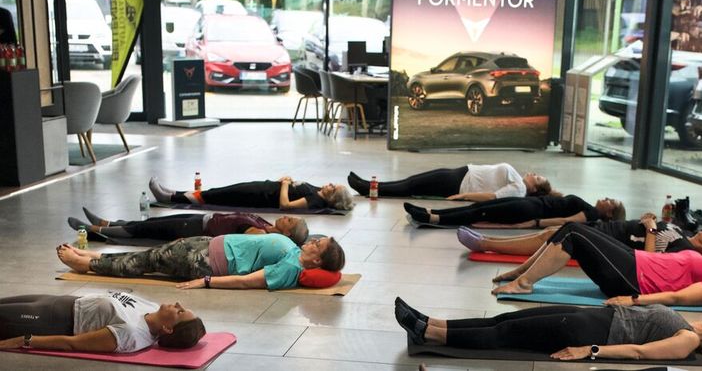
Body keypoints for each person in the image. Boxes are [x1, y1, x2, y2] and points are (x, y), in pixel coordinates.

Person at [491, 222, 702, 306]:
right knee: (570, 229)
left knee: (573, 233)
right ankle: (522, 273)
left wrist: (631, 301)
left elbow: (676, 297)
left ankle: (524, 283)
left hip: (633, 279)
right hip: (635, 262)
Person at [394, 297, 702, 361]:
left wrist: (589, 351)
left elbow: (638, 351)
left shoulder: (687, 341)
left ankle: (429, 335)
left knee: (507, 335)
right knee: (504, 320)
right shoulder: (686, 324)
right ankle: (433, 322)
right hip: (592, 316)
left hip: (587, 332)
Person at [57, 232, 345, 291]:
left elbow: (247, 282)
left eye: (317, 244)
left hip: (204, 261)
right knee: (149, 256)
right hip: (208, 245)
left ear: (317, 260)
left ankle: (88, 265)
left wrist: (206, 282)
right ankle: (97, 257)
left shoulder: (291, 269)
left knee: (145, 262)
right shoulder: (295, 252)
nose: (312, 241)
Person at [458, 213, 702, 265]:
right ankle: (487, 239)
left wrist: (652, 229)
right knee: (552, 232)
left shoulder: (683, 249)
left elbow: (653, 261)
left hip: (613, 242)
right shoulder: (685, 235)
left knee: (553, 235)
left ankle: (485, 243)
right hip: (612, 228)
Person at [0, 290, 204, 353]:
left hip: (47, 320)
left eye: (180, 312)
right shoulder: (151, 307)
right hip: (54, 301)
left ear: (168, 329)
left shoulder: (132, 334)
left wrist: (24, 340)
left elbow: (72, 343)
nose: (178, 304)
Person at [66, 207, 309, 246]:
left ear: (288, 232)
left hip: (193, 230)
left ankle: (95, 230)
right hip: (200, 219)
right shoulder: (268, 225)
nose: (287, 217)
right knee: (150, 222)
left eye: (290, 221)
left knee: (143, 231)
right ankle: (105, 223)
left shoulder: (260, 234)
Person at [348, 163, 556, 201]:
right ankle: (369, 185)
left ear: (535, 188)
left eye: (537, 177)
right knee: (411, 182)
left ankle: (368, 188)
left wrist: (464, 196)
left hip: (458, 184)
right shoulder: (518, 181)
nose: (532, 173)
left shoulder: (519, 189)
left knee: (411, 187)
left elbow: (492, 197)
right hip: (460, 174)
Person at [404, 195, 625, 227]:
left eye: (610, 202)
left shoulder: (592, 215)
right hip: (530, 203)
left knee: (480, 212)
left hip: (529, 210)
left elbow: (566, 221)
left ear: (609, 214)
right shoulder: (589, 206)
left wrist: (535, 223)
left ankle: (432, 218)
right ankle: (431, 210)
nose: (605, 199)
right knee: (478, 207)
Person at [149, 176, 354, 211]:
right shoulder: (317, 191)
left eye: (332, 188)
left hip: (260, 196)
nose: (328, 185)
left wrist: (284, 185)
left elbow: (286, 205)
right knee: (218, 191)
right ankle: (174, 193)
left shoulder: (315, 201)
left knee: (217, 196)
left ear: (333, 197)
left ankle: (169, 198)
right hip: (263, 188)